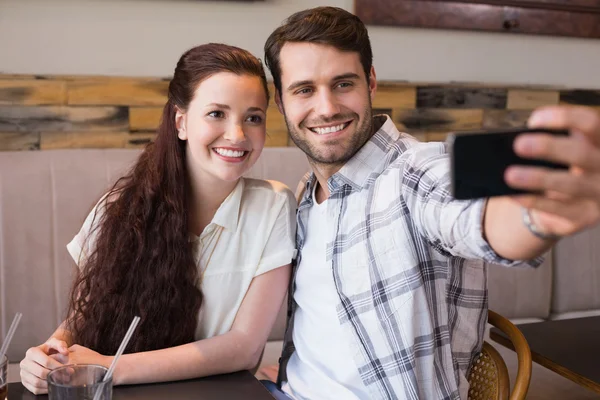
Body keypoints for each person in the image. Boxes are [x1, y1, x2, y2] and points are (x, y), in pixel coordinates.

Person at [260, 6, 600, 400]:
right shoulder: (305, 194)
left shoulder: (413, 173)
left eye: (343, 84)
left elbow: (473, 217)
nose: (326, 108)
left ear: (370, 82)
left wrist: (537, 217)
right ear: (281, 102)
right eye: (304, 90)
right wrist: (293, 369)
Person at [19, 43, 296, 395]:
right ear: (181, 122)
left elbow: (244, 347)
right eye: (216, 114)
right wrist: (49, 353)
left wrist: (109, 367)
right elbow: (87, 314)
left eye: (253, 117)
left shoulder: (273, 206)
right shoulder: (119, 206)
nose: (237, 135)